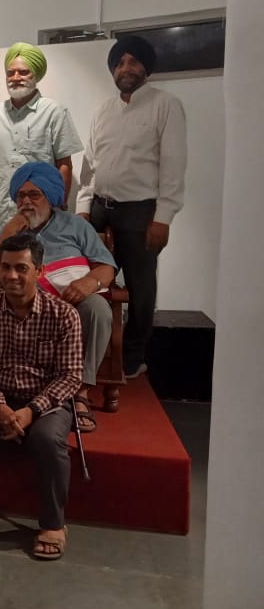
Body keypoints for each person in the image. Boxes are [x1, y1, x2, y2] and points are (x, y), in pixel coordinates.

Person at [0, 232, 82, 560]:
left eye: (21, 268)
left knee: (47, 438)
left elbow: (70, 376)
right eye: (6, 267)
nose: (11, 275)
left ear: (39, 271)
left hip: (45, 402)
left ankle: (53, 523)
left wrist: (31, 410)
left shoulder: (64, 315)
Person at [77, 36, 187, 378]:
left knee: (140, 287)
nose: (126, 68)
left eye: (133, 62)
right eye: (119, 63)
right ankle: (87, 347)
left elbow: (173, 165)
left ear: (146, 68)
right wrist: (82, 208)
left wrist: (163, 217)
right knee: (87, 278)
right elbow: (90, 166)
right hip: (99, 209)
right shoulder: (103, 111)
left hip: (140, 213)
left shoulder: (165, 105)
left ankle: (133, 357)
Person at [0, 163, 116, 431]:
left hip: (72, 303)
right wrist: (9, 232)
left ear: (50, 196)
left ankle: (79, 393)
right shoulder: (10, 228)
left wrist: (89, 282)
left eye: (34, 194)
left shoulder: (75, 225)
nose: (26, 201)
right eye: (21, 195)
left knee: (97, 308)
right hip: (27, 307)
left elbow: (106, 267)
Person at [0, 43, 83, 240]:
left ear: (36, 76)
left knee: (38, 260)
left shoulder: (54, 112)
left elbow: (64, 165)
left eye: (23, 72)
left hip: (39, 217)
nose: (16, 78)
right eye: (11, 73)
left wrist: (57, 208)